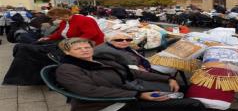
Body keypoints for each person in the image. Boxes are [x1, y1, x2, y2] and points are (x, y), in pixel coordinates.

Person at [56, 38, 206, 111]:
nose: (84, 50)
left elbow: (133, 72)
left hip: (129, 93)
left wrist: (168, 78)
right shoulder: (68, 68)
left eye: (86, 46)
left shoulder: (99, 60)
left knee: (184, 88)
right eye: (78, 49)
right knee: (193, 103)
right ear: (67, 52)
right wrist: (138, 94)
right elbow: (89, 91)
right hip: (111, 104)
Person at [39, 8, 104, 45]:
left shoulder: (84, 19)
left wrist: (73, 42)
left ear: (62, 15)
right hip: (75, 43)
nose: (55, 19)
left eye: (55, 17)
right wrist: (49, 38)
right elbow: (60, 33)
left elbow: (91, 33)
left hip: (92, 44)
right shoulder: (64, 22)